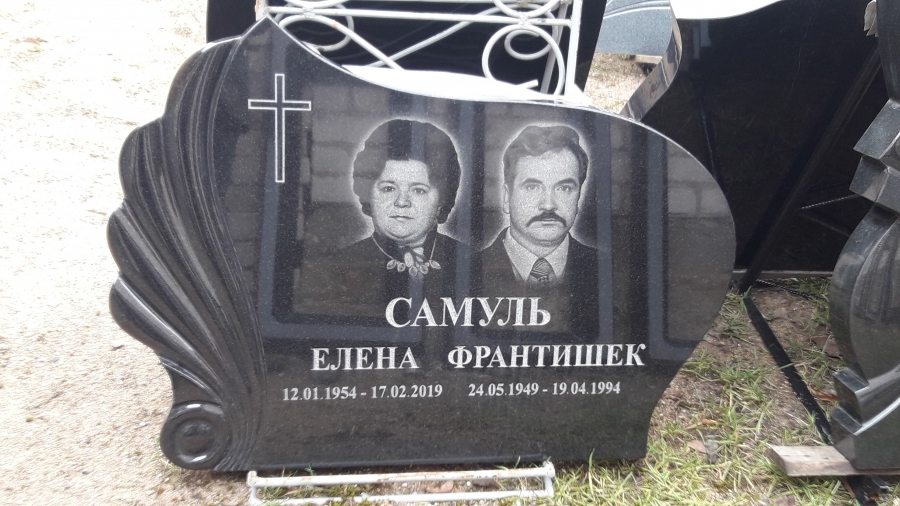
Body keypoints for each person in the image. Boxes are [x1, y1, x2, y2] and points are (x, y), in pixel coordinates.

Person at [333, 119, 468, 321]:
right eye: (388, 188)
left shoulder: (470, 260)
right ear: (368, 193)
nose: (402, 202)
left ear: (442, 199)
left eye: (419, 190)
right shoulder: (339, 263)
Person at [478, 125, 599, 338]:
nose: (548, 205)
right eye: (532, 187)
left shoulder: (609, 270)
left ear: (578, 196)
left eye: (564, 188)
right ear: (506, 197)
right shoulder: (463, 272)